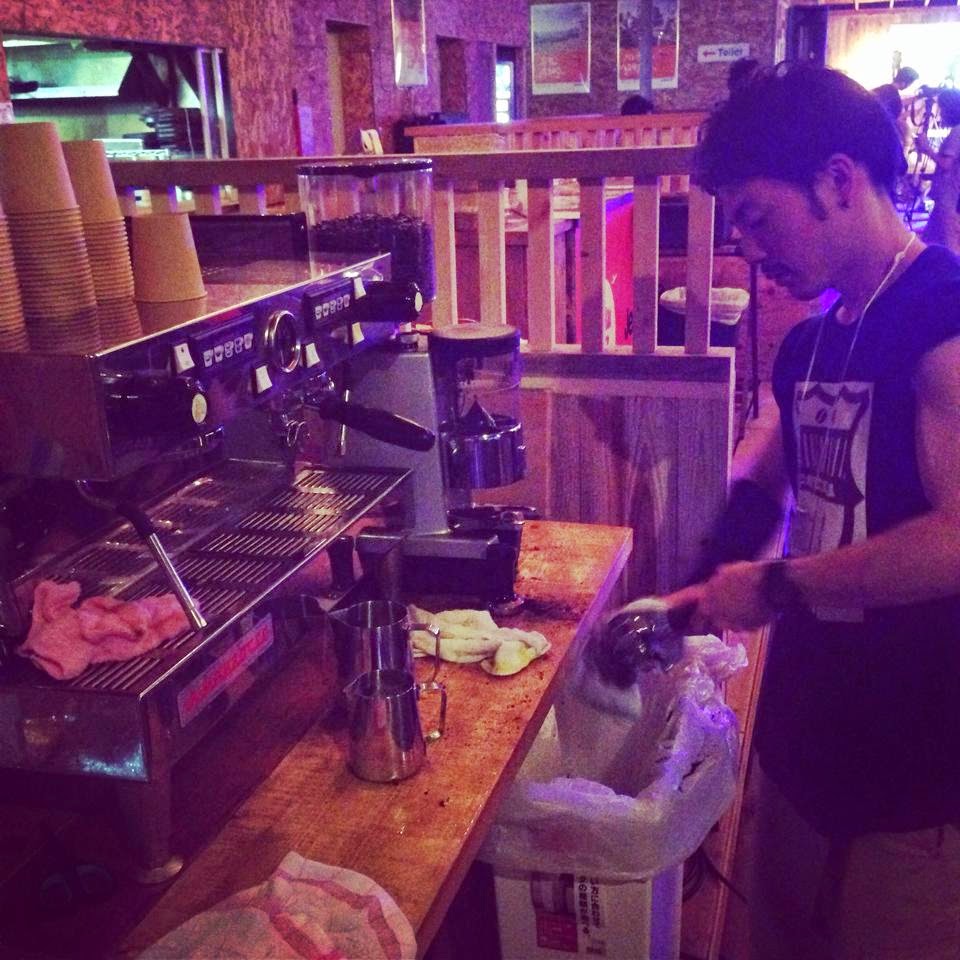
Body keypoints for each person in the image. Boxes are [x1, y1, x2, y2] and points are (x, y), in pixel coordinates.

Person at [665, 64, 960, 960]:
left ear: (836, 179)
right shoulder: (809, 343)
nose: (750, 249)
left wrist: (776, 587)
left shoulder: (942, 313)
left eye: (758, 216)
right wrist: (684, 597)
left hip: (918, 785)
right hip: (801, 752)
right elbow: (768, 479)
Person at [917, 87, 960, 253]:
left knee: (950, 244)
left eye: (942, 109)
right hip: (949, 195)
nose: (940, 114)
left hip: (949, 196)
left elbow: (946, 164)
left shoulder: (957, 132)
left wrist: (926, 148)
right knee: (930, 240)